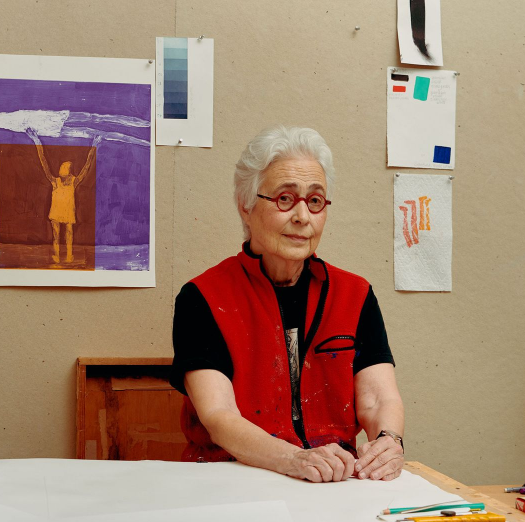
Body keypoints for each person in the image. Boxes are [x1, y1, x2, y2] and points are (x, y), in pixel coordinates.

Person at [172, 126, 406, 483]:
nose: (303, 217)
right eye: (285, 199)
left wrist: (389, 441)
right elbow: (219, 416)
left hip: (332, 482)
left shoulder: (355, 295)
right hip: (227, 479)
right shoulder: (203, 298)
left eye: (315, 201)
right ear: (246, 207)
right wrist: (294, 459)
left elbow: (377, 400)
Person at [26, 128, 101, 264]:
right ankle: (56, 255)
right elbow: (43, 162)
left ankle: (69, 255)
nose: (61, 169)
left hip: (68, 211)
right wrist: (36, 140)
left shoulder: (74, 181)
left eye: (64, 167)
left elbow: (87, 166)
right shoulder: (55, 181)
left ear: (70, 172)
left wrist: (94, 145)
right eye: (61, 167)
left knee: (69, 234)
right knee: (55, 235)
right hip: (56, 211)